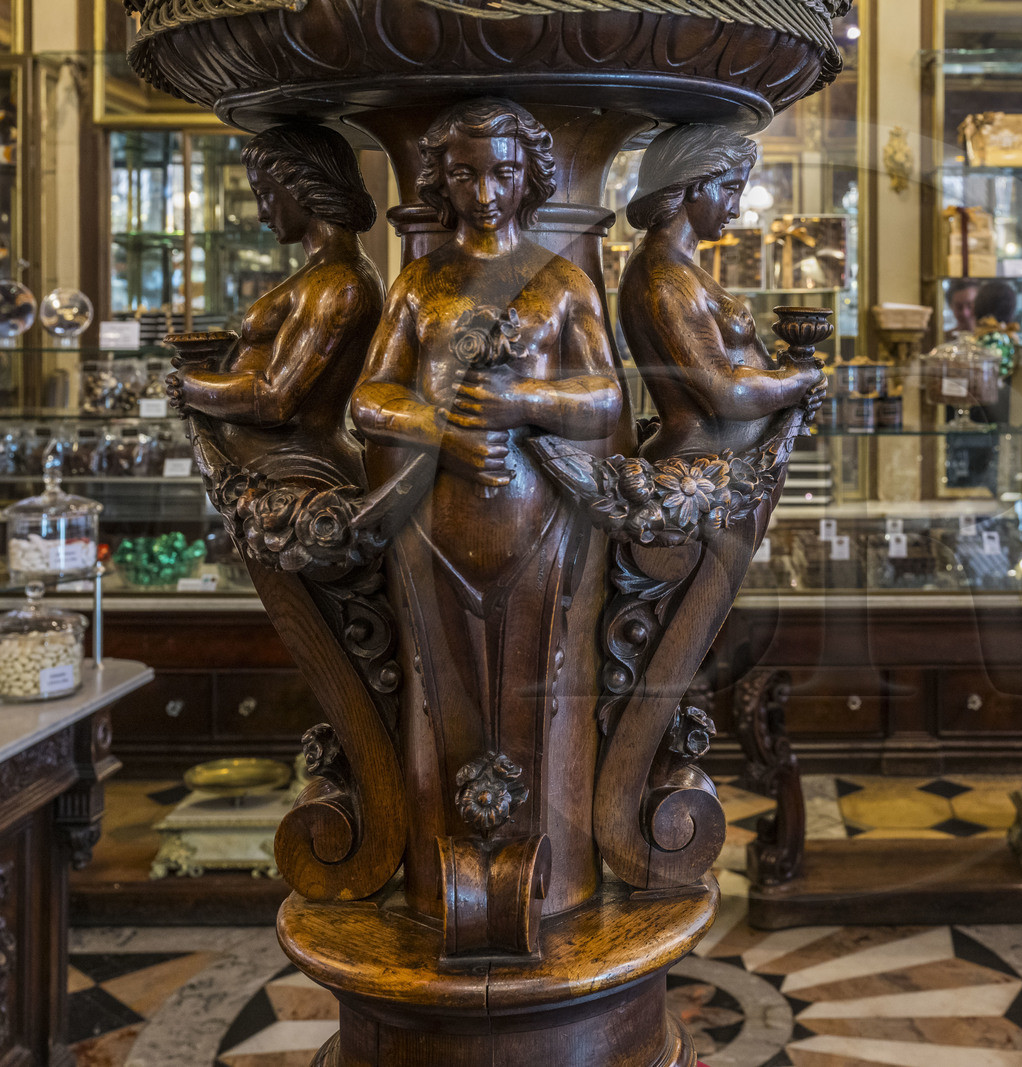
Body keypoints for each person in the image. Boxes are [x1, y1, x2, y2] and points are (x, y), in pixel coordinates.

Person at [350, 98, 623, 918]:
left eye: (503, 172)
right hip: (436, 525)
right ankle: (444, 862)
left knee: (541, 678)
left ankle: (551, 865)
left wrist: (522, 402)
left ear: (529, 176)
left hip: (539, 521)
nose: (485, 192)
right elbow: (369, 398)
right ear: (441, 179)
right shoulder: (420, 283)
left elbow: (606, 397)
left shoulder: (562, 282)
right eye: (465, 174)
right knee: (444, 686)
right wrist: (440, 430)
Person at [169, 124, 383, 484]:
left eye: (265, 194)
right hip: (278, 470)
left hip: (300, 472)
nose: (261, 214)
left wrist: (191, 386)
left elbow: (274, 399)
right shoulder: (322, 273)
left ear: (304, 187)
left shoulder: (338, 282)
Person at [620, 124, 824, 461]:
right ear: (695, 185)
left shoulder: (679, 268)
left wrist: (794, 382)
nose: (736, 209)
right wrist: (798, 381)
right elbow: (726, 393)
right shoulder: (665, 277)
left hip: (723, 463)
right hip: (697, 465)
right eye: (730, 189)